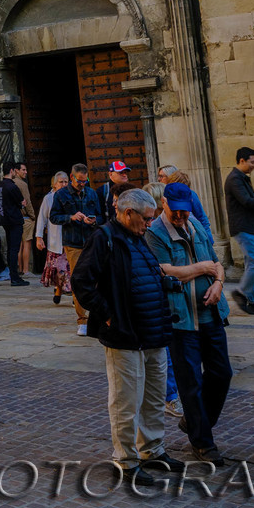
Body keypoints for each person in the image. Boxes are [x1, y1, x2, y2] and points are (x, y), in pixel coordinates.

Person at [73, 187, 175, 474]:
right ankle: (127, 461)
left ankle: (152, 450)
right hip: (124, 335)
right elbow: (81, 281)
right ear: (128, 213)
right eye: (146, 218)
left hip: (154, 332)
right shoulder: (103, 238)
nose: (149, 224)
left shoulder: (140, 237)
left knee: (154, 399)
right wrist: (107, 314)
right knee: (126, 403)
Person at [148, 182, 231, 461]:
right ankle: (203, 442)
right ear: (165, 203)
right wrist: (202, 268)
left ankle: (194, 422)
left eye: (186, 211)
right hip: (181, 318)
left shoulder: (194, 223)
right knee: (191, 381)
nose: (181, 216)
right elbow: (164, 271)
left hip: (211, 312)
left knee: (222, 373)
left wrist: (218, 281)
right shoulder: (155, 233)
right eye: (177, 211)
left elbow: (216, 262)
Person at [223, 148, 254, 315]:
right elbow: (248, 201)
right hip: (243, 227)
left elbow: (253, 197)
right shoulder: (235, 179)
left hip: (248, 227)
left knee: (252, 263)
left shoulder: (241, 178)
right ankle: (242, 292)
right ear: (241, 161)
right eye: (252, 162)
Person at [48, 165, 102, 305]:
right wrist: (70, 217)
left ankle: (92, 305)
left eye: (85, 181)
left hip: (91, 240)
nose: (83, 184)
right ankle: (81, 317)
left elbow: (101, 216)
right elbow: (53, 217)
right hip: (73, 242)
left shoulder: (91, 193)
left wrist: (94, 220)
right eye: (80, 181)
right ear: (72, 177)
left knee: (94, 275)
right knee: (77, 277)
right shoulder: (61, 195)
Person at [35, 171, 67, 297]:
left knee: (70, 270)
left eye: (66, 182)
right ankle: (58, 289)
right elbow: (42, 218)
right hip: (55, 240)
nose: (64, 184)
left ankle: (75, 298)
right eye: (61, 182)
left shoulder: (72, 196)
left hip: (70, 240)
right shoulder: (49, 199)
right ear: (54, 184)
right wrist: (39, 237)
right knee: (57, 270)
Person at [0, 164, 30, 286]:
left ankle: (14, 275)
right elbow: (22, 202)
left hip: (5, 220)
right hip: (14, 220)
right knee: (14, 249)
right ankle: (15, 277)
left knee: (11, 248)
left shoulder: (1, 185)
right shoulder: (12, 186)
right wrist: (22, 204)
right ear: (12, 171)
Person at [157, 166, 210, 230]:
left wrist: (207, 239)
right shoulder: (162, 194)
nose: (159, 179)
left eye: (161, 176)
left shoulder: (191, 195)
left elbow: (202, 219)